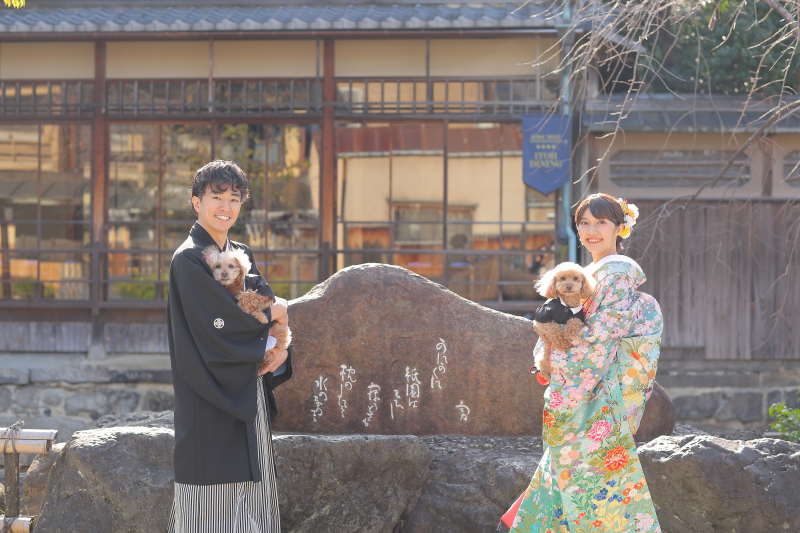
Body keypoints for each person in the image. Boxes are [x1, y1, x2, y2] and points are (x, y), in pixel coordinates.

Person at [501, 193, 663, 533]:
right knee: (567, 474)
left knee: (588, 476)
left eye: (601, 222)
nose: (592, 230)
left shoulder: (618, 272)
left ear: (619, 227)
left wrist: (561, 363)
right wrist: (545, 355)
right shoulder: (586, 271)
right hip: (579, 382)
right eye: (584, 223)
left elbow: (604, 331)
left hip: (595, 391)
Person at [166, 160, 292, 533]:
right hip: (209, 391)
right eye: (216, 196)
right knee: (210, 506)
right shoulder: (189, 258)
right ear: (196, 203)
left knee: (255, 498)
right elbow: (216, 325)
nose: (226, 206)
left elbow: (267, 303)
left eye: (234, 198)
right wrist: (273, 316)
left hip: (245, 384)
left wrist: (280, 347)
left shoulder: (239, 251)